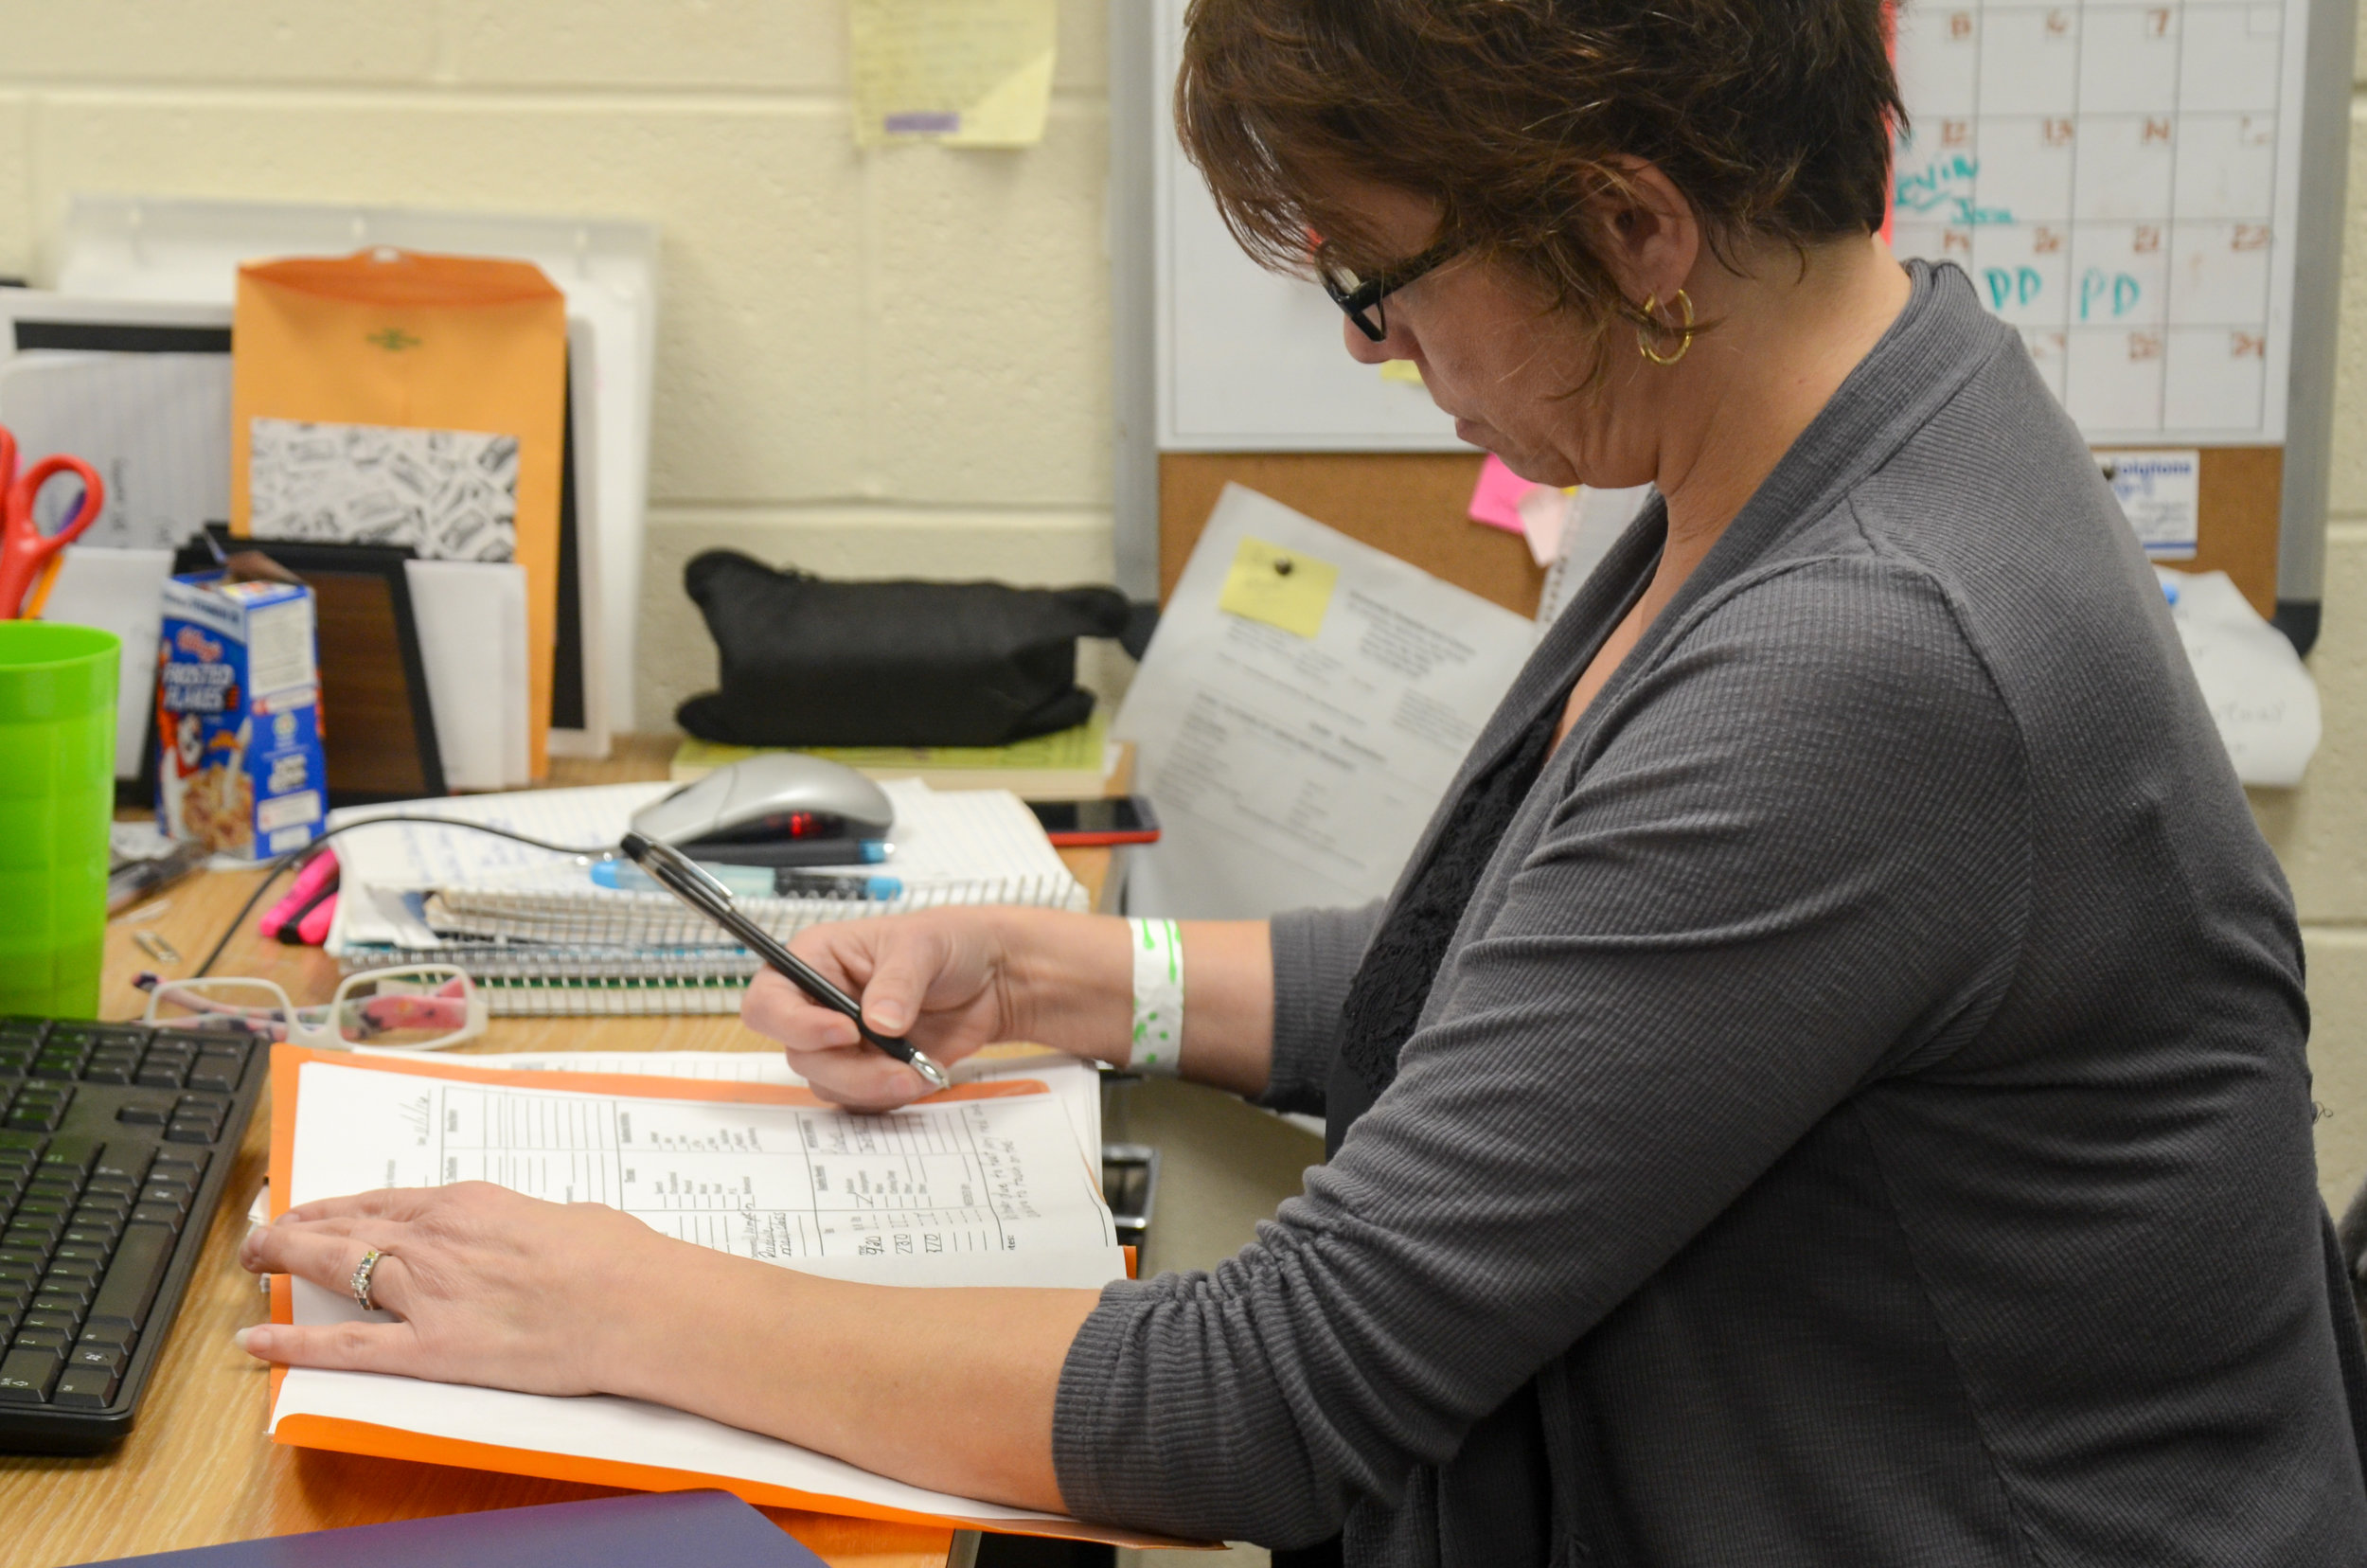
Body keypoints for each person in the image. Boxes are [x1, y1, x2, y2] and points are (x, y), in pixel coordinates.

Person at [238, 0, 2367, 1560]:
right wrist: (1064, 978)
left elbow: (1270, 1402)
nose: (1376, 356)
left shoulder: (1865, 659)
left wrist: (627, 1296)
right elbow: (1550, 981)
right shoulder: (1845, 441)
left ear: (1629, 227)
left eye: (1375, 283)